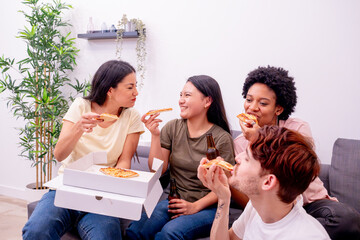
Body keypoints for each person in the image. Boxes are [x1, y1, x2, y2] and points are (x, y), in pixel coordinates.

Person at [232, 66, 360, 239]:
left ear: (278, 109)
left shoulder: (297, 128)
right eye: (249, 99)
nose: (252, 108)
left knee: (347, 220)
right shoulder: (239, 144)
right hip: (277, 209)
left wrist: (257, 137)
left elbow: (292, 170)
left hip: (311, 203)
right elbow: (253, 195)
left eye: (262, 103)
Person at [22, 60, 145, 240]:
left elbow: (124, 160)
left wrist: (112, 186)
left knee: (106, 237)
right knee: (36, 231)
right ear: (110, 90)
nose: (136, 92)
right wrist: (79, 127)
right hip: (67, 189)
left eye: (136, 86)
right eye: (130, 87)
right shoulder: (81, 106)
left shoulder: (131, 117)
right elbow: (59, 154)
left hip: (101, 197)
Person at [125, 75, 235, 240]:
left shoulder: (221, 138)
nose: (181, 100)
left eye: (187, 95)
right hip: (174, 201)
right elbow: (157, 169)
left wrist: (194, 206)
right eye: (181, 95)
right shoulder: (173, 128)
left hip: (208, 207)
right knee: (136, 231)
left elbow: (225, 186)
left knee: (169, 233)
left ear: (207, 101)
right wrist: (155, 135)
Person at [198, 125, 331, 239]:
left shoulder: (308, 236)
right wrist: (223, 197)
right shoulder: (256, 207)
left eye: (247, 158)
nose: (237, 158)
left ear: (268, 182)